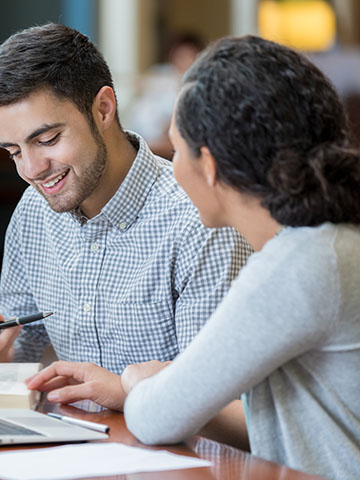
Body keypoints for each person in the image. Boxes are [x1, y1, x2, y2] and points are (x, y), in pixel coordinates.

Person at [26, 35, 360, 480]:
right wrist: (160, 385)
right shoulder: (329, 245)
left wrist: (137, 383)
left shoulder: (296, 266)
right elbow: (290, 418)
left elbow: (156, 418)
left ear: (209, 165)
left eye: (177, 149)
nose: (172, 164)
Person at [0, 24, 251, 375]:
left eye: (47, 139)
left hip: (161, 431)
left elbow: (213, 392)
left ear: (104, 109)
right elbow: (23, 342)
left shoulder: (198, 221)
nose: (32, 169)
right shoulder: (33, 211)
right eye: (14, 152)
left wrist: (122, 393)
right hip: (72, 428)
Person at [125, 33, 205, 159]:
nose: (185, 61)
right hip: (148, 137)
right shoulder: (161, 75)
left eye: (190, 56)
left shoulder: (201, 84)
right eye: (181, 56)